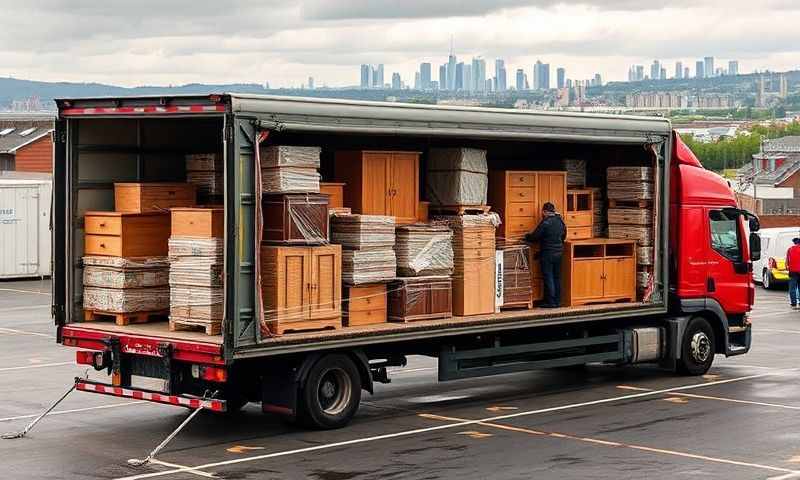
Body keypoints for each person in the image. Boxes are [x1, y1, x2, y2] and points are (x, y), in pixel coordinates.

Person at [525, 202, 567, 308]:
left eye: (542, 212)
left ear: (544, 212)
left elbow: (535, 237)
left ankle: (550, 302)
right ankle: (557, 301)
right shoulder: (560, 221)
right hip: (559, 253)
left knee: (548, 277)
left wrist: (526, 236)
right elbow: (564, 236)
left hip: (548, 253)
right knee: (557, 277)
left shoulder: (545, 223)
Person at [786, 238, 800, 309]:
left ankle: (793, 304)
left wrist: (788, 268)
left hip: (793, 272)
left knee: (792, 288)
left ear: (794, 243)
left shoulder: (790, 249)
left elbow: (787, 262)